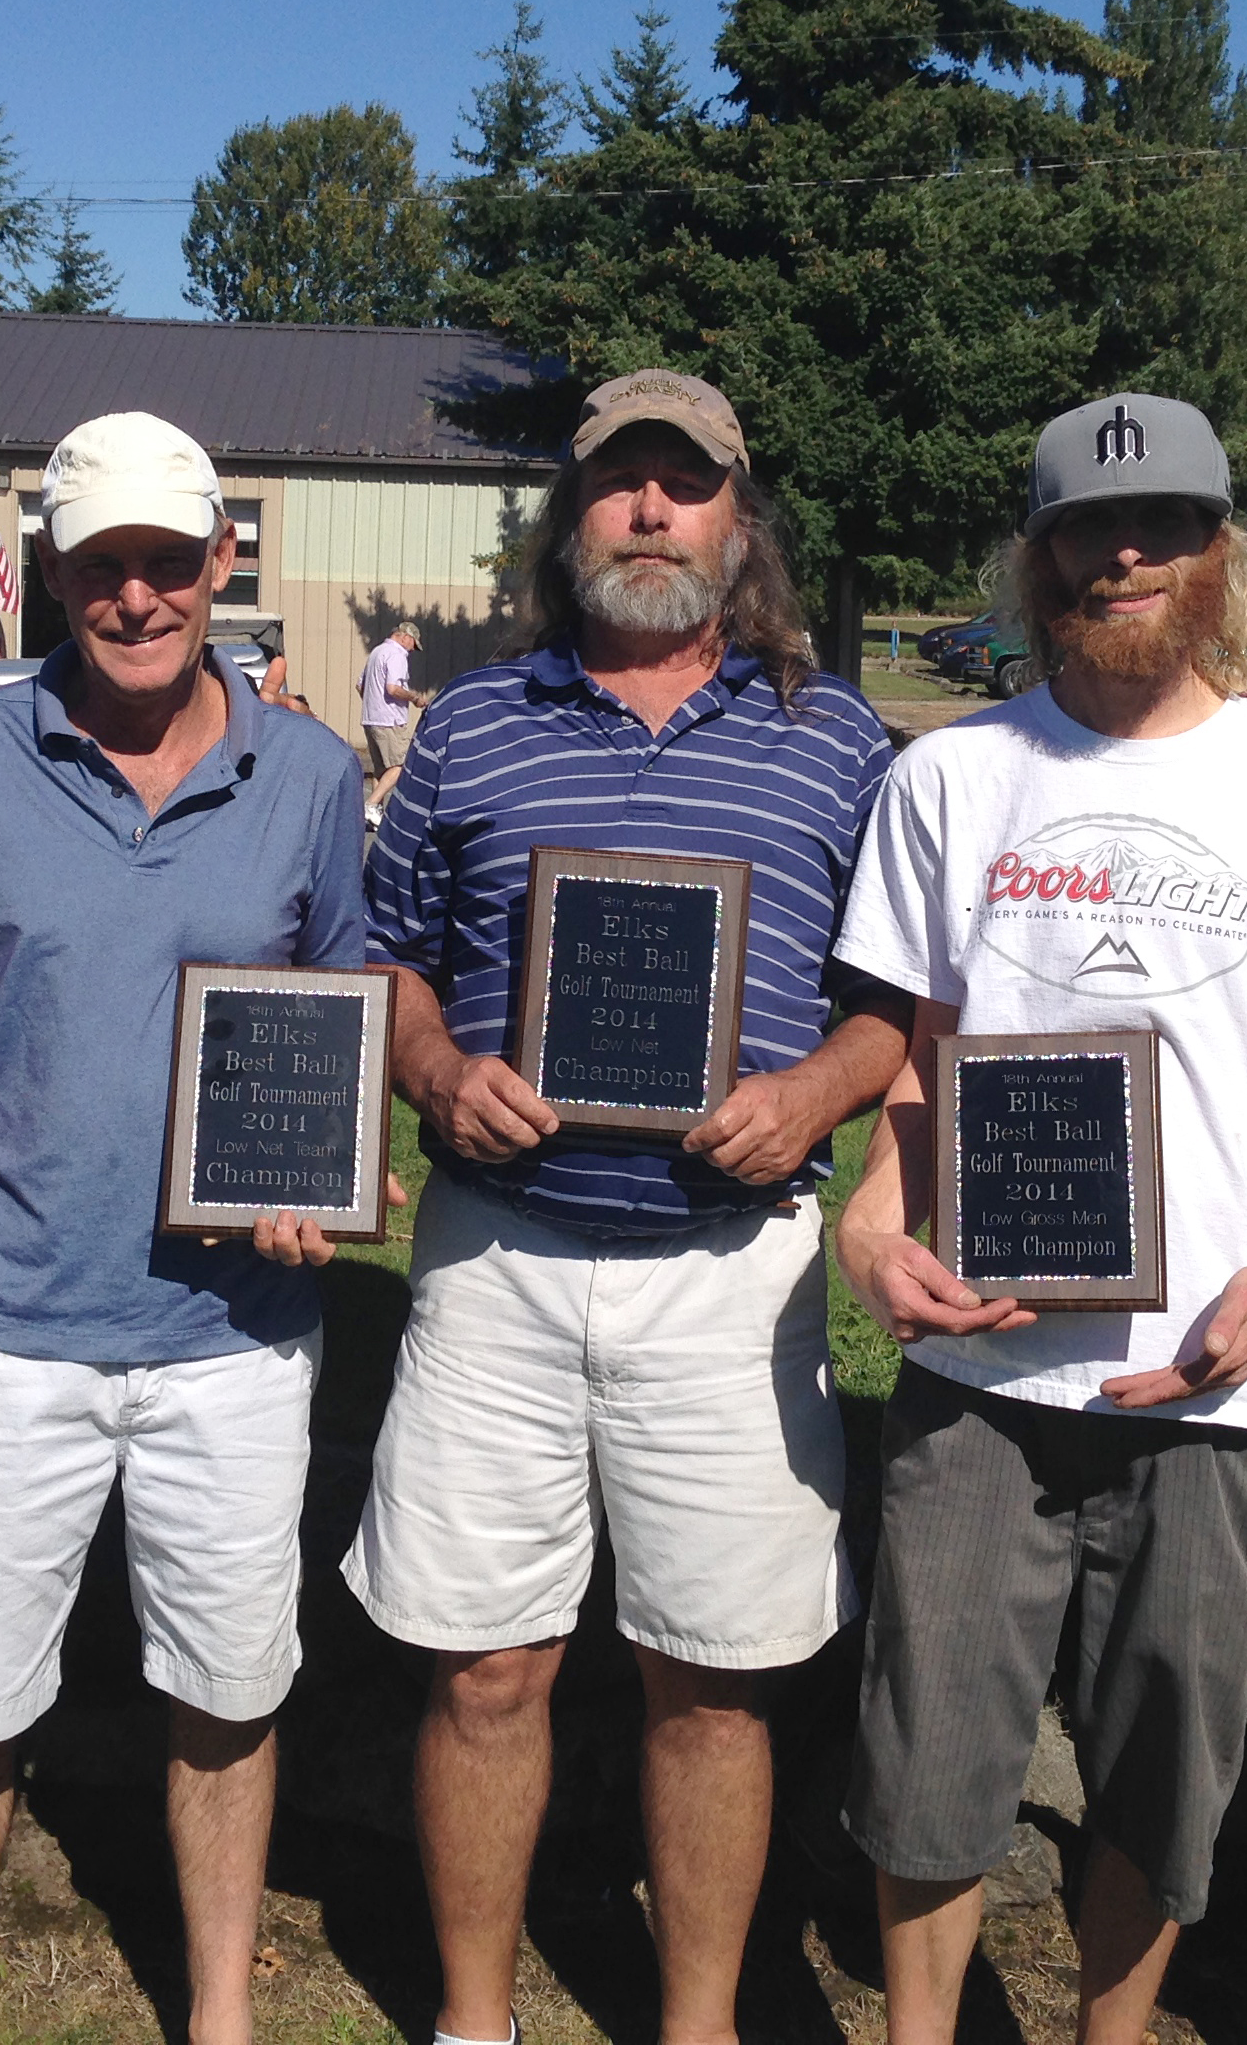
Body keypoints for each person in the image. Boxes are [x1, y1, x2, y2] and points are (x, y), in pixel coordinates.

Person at [346, 369, 908, 2045]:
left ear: (738, 523)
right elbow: (387, 962)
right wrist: (436, 1070)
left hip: (728, 1280)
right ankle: (469, 2018)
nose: (649, 512)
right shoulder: (468, 722)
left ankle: (694, 2021)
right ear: (566, 514)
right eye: (617, 484)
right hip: (494, 1264)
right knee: (481, 1667)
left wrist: (810, 1093)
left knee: (712, 1685)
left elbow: (896, 1000)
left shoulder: (835, 735)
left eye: (685, 485)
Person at [830, 394, 1247, 2045]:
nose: (1122, 553)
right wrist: (871, 1220)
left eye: (1162, 525)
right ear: (1037, 553)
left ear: (1220, 551)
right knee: (925, 1763)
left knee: (1163, 1776)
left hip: (1207, 1393)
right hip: (983, 1386)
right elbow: (913, 1063)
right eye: (1087, 526)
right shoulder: (948, 777)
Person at [0, 410, 373, 2045]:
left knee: (226, 1690)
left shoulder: (306, 773)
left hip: (228, 1337)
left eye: (166, 560)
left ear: (222, 561)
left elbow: (336, 1017)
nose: (135, 596)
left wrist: (321, 1183)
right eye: (100, 566)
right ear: (50, 576)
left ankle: (215, 2006)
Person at [358, 618, 425, 798]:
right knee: (399, 766)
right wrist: (415, 698)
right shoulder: (397, 655)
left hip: (371, 718)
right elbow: (393, 688)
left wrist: (373, 703)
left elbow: (360, 686)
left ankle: (374, 814)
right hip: (390, 720)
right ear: (405, 637)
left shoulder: (376, 652)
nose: (412, 649)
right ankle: (371, 804)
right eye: (413, 644)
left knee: (381, 770)